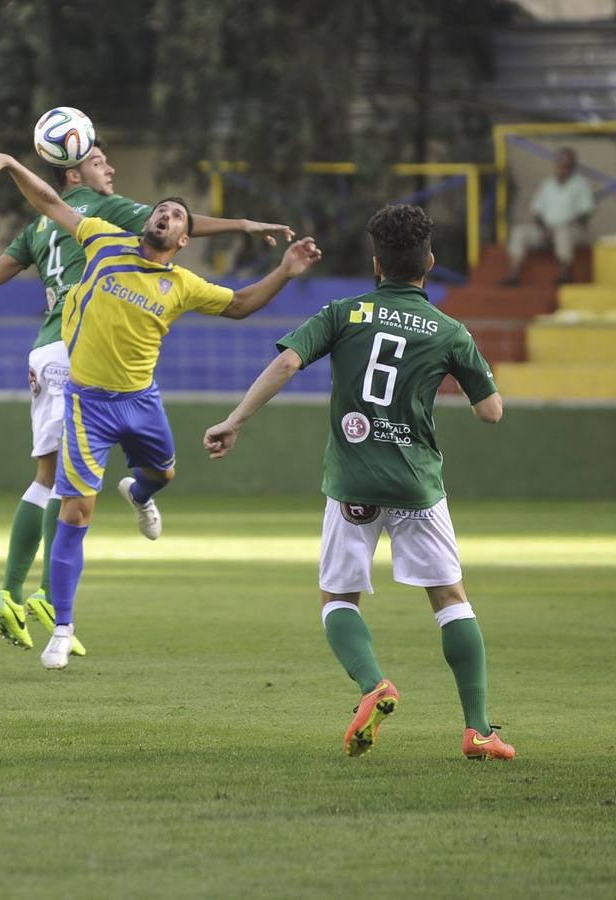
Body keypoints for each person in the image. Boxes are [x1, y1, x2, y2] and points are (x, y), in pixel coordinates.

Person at [0, 143, 293, 657]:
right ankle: (45, 602)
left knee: (71, 476)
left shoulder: (60, 236)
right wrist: (244, 224)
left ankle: (30, 582)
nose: (109, 168)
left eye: (175, 215)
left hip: (70, 361)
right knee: (70, 497)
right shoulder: (109, 217)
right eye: (98, 159)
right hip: (79, 365)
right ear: (74, 170)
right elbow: (175, 218)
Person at [202, 204, 515, 761]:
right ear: (430, 264)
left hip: (353, 480)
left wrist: (235, 420)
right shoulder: (450, 331)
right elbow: (490, 413)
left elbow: (285, 365)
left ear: (376, 265)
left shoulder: (344, 313)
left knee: (337, 598)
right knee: (449, 600)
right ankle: (478, 731)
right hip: (416, 481)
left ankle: (374, 685)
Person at [503, 147, 594, 285]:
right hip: (546, 229)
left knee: (563, 233)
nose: (562, 167)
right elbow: (537, 209)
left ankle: (565, 273)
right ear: (555, 164)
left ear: (572, 166)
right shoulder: (547, 184)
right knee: (519, 231)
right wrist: (545, 229)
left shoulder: (581, 184)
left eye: (566, 164)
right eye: (560, 163)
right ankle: (513, 274)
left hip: (572, 230)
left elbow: (585, 213)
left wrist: (560, 227)